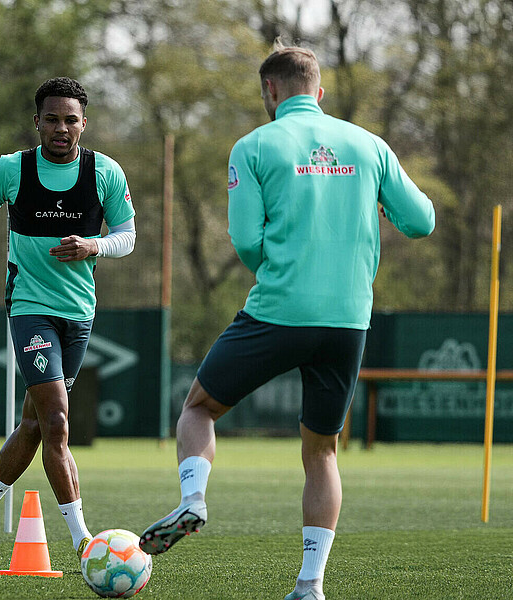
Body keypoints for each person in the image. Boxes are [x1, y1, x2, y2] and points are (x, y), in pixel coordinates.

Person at [139, 41, 435, 600]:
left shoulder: (253, 146)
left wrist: (276, 272)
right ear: (319, 93)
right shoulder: (368, 144)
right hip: (349, 318)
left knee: (199, 407)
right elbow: (421, 221)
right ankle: (310, 584)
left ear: (269, 92)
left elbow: (248, 240)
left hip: (278, 310)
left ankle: (193, 500)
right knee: (321, 450)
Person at [0, 76, 137, 565]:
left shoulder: (105, 173)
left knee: (33, 427)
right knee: (57, 421)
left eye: (71, 119)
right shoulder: (11, 170)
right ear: (36, 122)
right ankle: (84, 542)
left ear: (84, 124)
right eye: (51, 119)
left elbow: (127, 236)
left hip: (78, 313)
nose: (61, 128)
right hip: (29, 307)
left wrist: (93, 244)